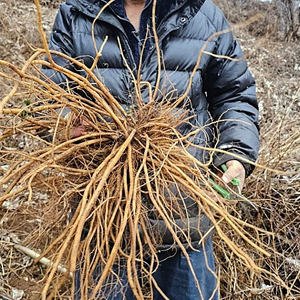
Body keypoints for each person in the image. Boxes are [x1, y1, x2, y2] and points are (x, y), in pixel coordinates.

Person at [41, 0, 260, 298]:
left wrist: (235, 155)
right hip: (105, 211)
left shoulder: (202, 14)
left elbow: (235, 96)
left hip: (183, 209)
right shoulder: (77, 12)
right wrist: (64, 122)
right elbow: (48, 98)